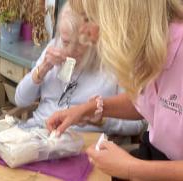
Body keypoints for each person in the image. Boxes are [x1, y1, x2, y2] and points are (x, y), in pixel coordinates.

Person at [46, 0, 183, 180]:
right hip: (155, 157)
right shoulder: (151, 46)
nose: (84, 32)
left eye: (91, 18)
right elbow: (152, 104)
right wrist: (89, 109)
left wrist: (131, 168)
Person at [15, 2, 144, 136]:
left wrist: (102, 120)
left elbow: (137, 124)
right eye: (66, 41)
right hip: (38, 131)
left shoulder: (113, 61)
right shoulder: (54, 47)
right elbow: (20, 100)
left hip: (80, 142)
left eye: (79, 44)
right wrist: (42, 69)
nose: (70, 51)